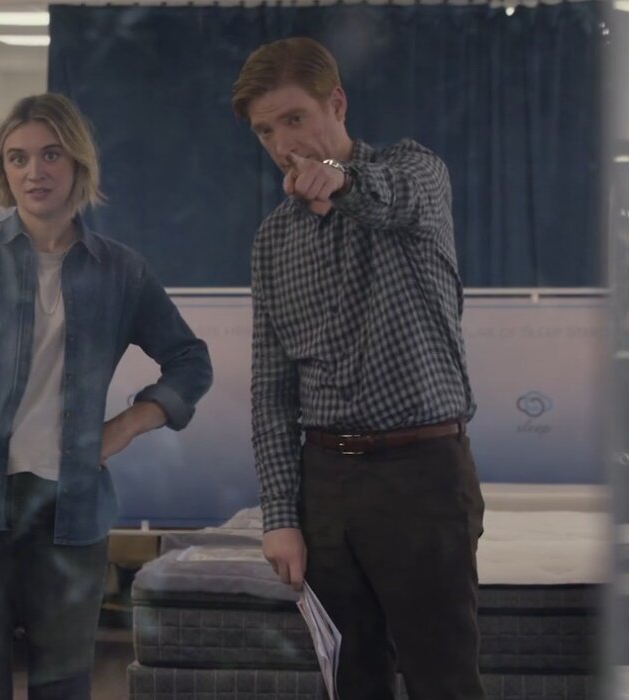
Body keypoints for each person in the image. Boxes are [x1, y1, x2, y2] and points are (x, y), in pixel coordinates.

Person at [0, 93, 213, 699]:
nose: (34, 172)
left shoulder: (119, 271)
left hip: (71, 511)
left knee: (64, 685)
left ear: (77, 163)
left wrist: (126, 425)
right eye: (17, 158)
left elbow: (190, 361)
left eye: (50, 155)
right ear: (2, 170)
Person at [235, 37, 485, 699]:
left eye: (295, 119)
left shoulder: (415, 172)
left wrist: (340, 180)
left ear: (337, 104)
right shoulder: (273, 240)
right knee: (348, 681)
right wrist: (279, 516)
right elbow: (271, 391)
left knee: (445, 681)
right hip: (325, 483)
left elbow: (394, 198)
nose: (283, 143)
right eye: (265, 131)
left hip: (422, 474)